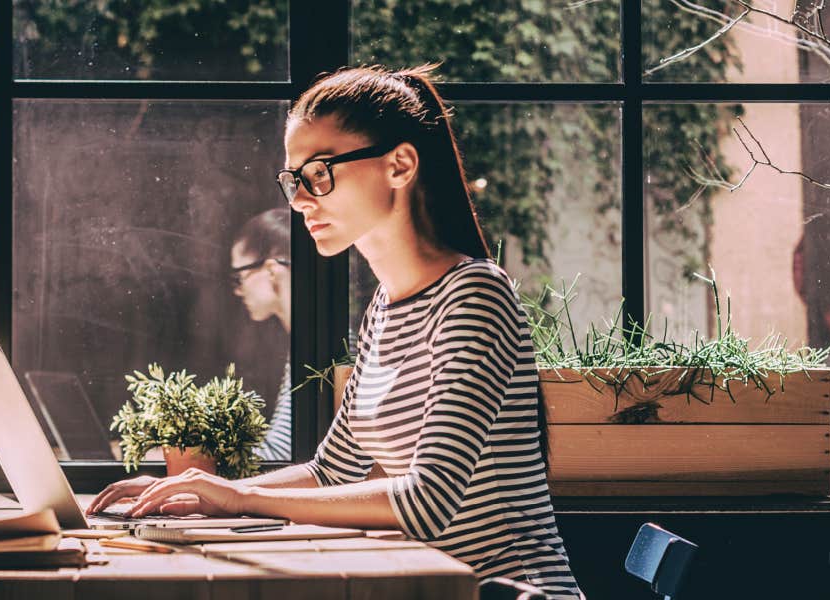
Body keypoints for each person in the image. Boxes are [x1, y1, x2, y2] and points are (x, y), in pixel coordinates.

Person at [88, 64, 581, 597]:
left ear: (400, 165)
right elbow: (333, 469)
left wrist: (238, 499)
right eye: (293, 178)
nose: (300, 199)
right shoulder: (385, 308)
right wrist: (199, 491)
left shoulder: (475, 294)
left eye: (319, 172)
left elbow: (427, 503)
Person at [229, 208, 292, 461]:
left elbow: (282, 456)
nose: (238, 290)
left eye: (239, 276)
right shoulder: (305, 345)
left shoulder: (320, 349)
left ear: (270, 270)